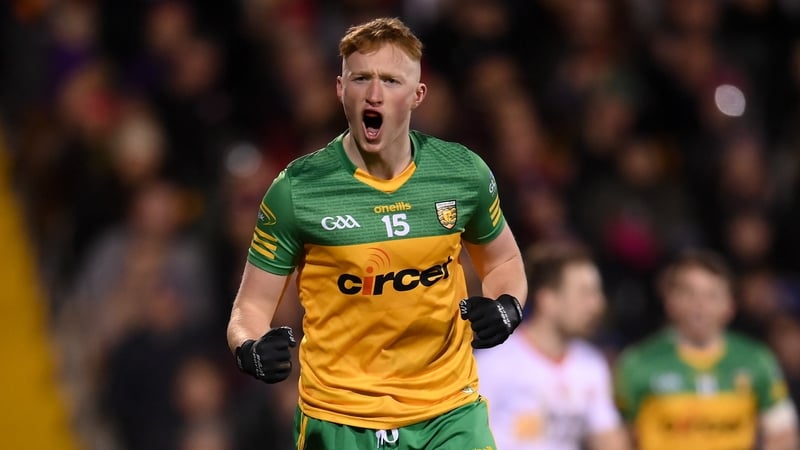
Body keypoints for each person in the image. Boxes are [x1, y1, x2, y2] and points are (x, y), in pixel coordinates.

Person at [226, 17, 528, 450]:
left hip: (449, 410)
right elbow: (251, 305)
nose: (374, 93)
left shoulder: (463, 174)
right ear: (340, 89)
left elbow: (504, 261)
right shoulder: (298, 189)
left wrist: (507, 307)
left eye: (390, 80)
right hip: (340, 419)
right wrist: (250, 348)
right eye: (361, 78)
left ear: (417, 95)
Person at [614, 249, 799, 450]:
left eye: (712, 295)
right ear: (670, 302)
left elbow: (783, 435)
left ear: (730, 305)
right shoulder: (637, 362)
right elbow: (618, 438)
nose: (700, 306)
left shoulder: (756, 360)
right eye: (689, 294)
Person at [476, 242, 630, 450]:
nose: (598, 304)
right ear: (547, 299)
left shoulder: (591, 364)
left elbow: (608, 437)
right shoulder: (493, 361)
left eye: (597, 293)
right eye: (585, 293)